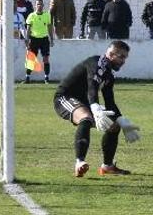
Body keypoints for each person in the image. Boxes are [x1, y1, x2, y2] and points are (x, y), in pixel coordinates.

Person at [54, 39, 137, 178]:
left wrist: (122, 121)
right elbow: (92, 86)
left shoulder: (109, 75)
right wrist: (95, 107)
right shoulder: (96, 62)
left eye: (125, 58)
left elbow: (110, 102)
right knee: (85, 118)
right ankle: (79, 162)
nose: (123, 61)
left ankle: (107, 166)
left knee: (114, 126)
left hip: (85, 102)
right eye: (121, 56)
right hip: (65, 98)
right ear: (111, 54)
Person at [23, 0, 52, 82]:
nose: (39, 6)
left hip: (44, 39)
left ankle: (46, 77)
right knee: (31, 58)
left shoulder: (47, 15)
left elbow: (49, 27)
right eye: (37, 4)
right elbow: (28, 29)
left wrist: (52, 38)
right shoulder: (31, 16)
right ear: (35, 6)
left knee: (46, 58)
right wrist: (27, 40)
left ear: (43, 5)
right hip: (34, 39)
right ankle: (27, 77)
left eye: (40, 4)